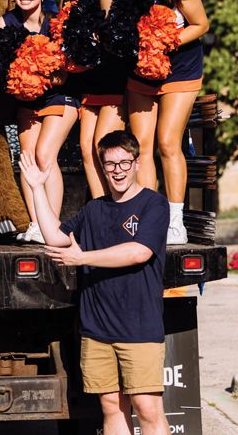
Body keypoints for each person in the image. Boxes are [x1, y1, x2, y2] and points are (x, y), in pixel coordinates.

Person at [21, 130, 169, 435]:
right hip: (97, 331)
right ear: (102, 168)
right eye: (111, 165)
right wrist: (36, 189)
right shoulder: (93, 209)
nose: (118, 171)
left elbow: (138, 252)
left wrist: (83, 258)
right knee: (112, 407)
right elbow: (55, 237)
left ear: (137, 163)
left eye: (124, 163)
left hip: (138, 328)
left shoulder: (153, 205)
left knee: (147, 408)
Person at [117, 0, 209, 244]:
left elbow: (201, 24)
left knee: (168, 143)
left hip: (180, 69)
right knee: (141, 147)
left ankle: (174, 220)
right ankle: (148, 216)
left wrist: (163, 41)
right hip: (141, 74)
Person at [0, 0, 77, 243]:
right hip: (26, 100)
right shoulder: (5, 23)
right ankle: (36, 224)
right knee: (28, 158)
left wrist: (44, 72)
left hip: (59, 96)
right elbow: (3, 72)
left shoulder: (56, 23)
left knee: (44, 155)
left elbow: (67, 72)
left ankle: (51, 224)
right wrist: (23, 76)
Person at [61, 0, 131, 198]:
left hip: (111, 80)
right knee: (87, 151)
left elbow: (112, 39)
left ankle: (121, 208)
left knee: (106, 149)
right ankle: (103, 210)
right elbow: (61, 29)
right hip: (83, 84)